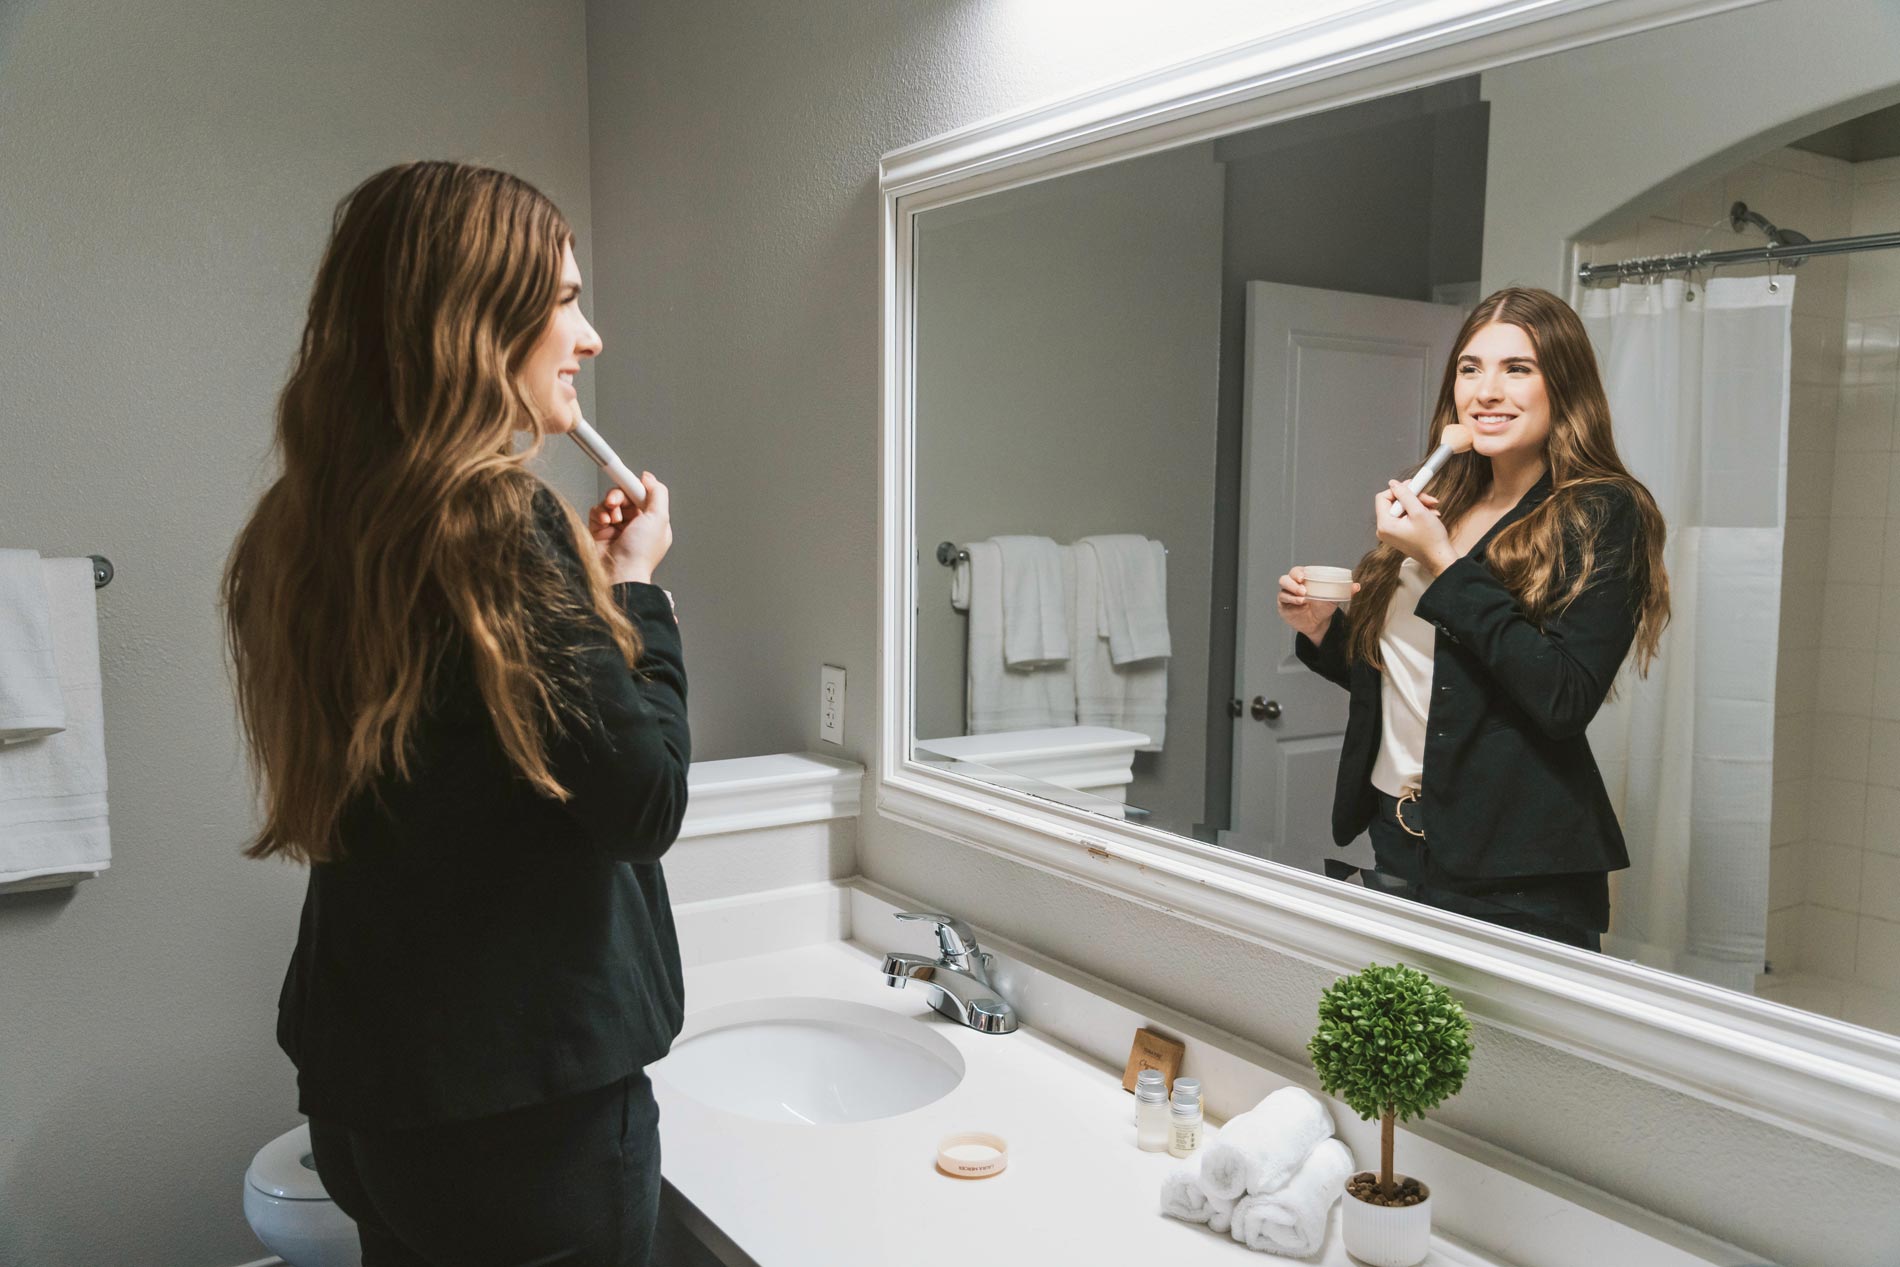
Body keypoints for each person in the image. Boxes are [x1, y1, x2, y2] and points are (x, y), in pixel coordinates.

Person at [223, 160, 687, 1266]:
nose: (590, 336)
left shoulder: (310, 521)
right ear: (475, 321)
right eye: (566, 300)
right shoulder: (495, 519)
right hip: (525, 1124)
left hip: (369, 1094)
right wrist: (638, 593)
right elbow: (645, 800)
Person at [1276, 287, 1669, 952]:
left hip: (1518, 870)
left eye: (1518, 368)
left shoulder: (1603, 512)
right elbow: (1434, 680)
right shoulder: (1447, 499)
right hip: (1398, 838)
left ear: (1564, 384)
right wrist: (1325, 632)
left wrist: (1444, 563)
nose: (1486, 390)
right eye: (1469, 368)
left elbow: (1562, 696)